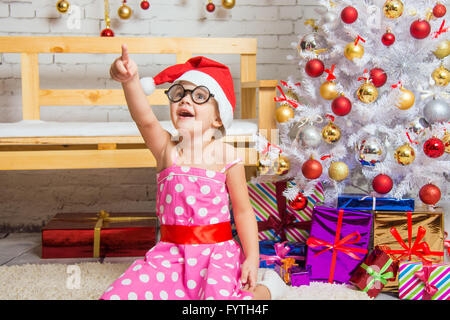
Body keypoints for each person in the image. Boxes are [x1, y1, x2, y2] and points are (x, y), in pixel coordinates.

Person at [100, 45, 288, 300]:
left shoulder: (227, 155)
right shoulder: (166, 149)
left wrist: (252, 258)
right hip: (170, 255)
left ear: (219, 118)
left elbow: (243, 212)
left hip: (216, 256)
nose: (185, 100)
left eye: (199, 96)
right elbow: (144, 119)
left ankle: (268, 289)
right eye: (178, 94)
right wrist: (130, 80)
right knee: (117, 297)